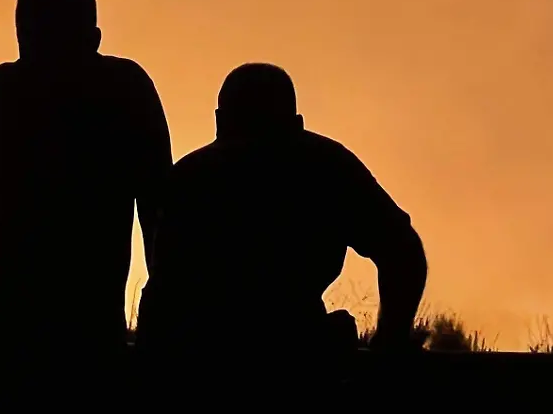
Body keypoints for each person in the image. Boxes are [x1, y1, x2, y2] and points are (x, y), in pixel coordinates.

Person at [137, 62, 427, 366]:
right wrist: (390, 341)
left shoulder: (191, 178)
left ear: (220, 122)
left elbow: (161, 295)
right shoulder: (326, 168)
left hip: (203, 363)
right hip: (299, 358)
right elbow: (402, 250)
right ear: (297, 122)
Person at [0, 0, 172, 353]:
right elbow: (157, 205)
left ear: (21, 34)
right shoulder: (125, 87)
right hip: (86, 308)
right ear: (93, 38)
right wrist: (166, 304)